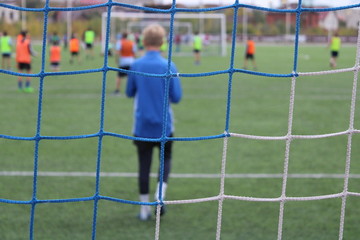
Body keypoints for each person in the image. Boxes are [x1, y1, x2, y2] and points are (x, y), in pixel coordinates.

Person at [126, 24, 182, 221]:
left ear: (143, 41)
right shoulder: (169, 65)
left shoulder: (136, 64)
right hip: (164, 126)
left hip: (142, 125)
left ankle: (143, 210)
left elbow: (129, 92)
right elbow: (177, 97)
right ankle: (160, 197)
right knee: (165, 160)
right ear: (163, 42)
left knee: (143, 165)